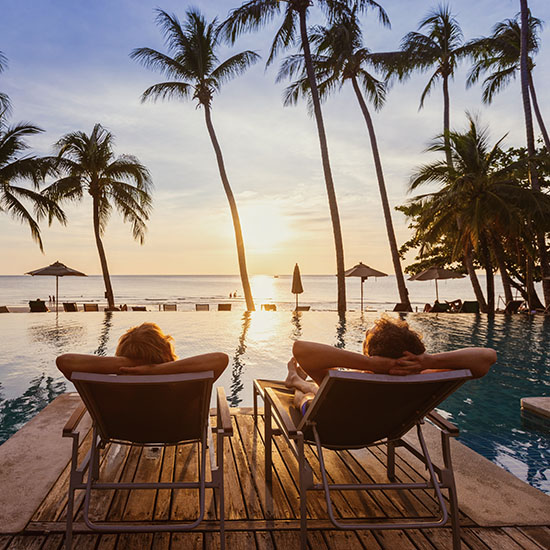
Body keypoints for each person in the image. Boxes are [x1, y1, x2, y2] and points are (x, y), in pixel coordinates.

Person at [285, 316, 496, 416]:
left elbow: (301, 350)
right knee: (319, 387)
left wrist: (369, 364)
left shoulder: (355, 379)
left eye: (366, 337)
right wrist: (428, 361)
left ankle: (295, 381)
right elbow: (487, 357)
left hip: (334, 427)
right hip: (388, 429)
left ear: (370, 353)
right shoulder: (424, 376)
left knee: (309, 393)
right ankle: (297, 380)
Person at [57, 322, 228, 381]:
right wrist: (156, 368)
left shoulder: (114, 386)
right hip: (176, 430)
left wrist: (129, 364)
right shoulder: (182, 379)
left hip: (123, 431)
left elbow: (65, 361)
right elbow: (220, 359)